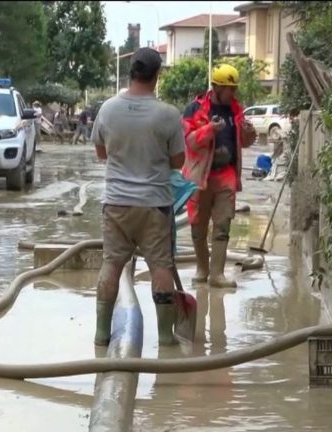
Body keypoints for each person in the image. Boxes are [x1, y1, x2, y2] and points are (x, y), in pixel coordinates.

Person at [91, 47, 186, 346]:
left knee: (111, 264)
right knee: (160, 266)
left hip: (116, 204)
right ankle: (166, 338)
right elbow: (178, 162)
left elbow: (101, 152)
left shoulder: (107, 109)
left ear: (131, 72)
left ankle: (101, 334)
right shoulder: (168, 115)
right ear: (157, 76)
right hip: (154, 206)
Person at [181, 64, 257, 288]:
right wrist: (210, 130)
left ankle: (217, 274)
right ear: (216, 87)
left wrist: (247, 132)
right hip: (199, 176)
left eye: (234, 89)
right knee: (198, 227)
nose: (233, 93)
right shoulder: (194, 109)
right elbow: (189, 141)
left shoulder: (236, 109)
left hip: (226, 175)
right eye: (229, 89)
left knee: (223, 225)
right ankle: (202, 269)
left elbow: (244, 142)